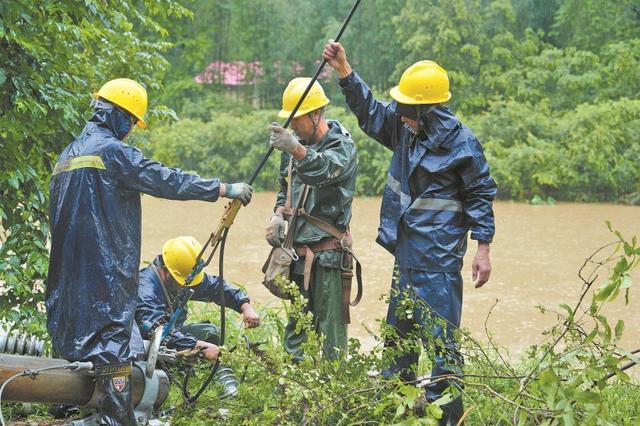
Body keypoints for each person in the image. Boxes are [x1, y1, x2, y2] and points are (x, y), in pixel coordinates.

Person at [45, 78, 253, 425]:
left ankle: (65, 409)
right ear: (120, 116)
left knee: (75, 361)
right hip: (105, 284)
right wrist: (221, 188)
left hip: (66, 286)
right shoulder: (112, 152)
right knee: (113, 369)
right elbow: (164, 179)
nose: (130, 131)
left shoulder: (67, 155)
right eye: (131, 122)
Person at [323, 42, 497, 424]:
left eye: (404, 105)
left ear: (424, 109)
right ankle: (395, 409)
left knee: (441, 346)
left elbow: (481, 194)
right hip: (405, 257)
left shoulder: (462, 144)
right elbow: (371, 113)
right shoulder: (405, 130)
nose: (398, 111)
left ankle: (447, 418)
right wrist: (345, 70)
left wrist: (482, 249)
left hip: (438, 263)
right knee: (398, 341)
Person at [266, 77, 358, 361]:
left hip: (329, 256)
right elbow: (286, 188)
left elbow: (324, 169)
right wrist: (277, 215)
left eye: (297, 119)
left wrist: (295, 148)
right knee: (296, 334)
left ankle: (334, 387)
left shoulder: (342, 147)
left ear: (316, 114)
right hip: (296, 255)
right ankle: (294, 384)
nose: (293, 126)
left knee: (332, 338)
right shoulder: (294, 147)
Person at [135, 236, 260, 398]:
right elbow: (157, 332)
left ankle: (217, 376)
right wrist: (198, 346)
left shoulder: (180, 278)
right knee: (201, 344)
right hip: (147, 350)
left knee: (210, 332)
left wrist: (244, 305)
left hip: (173, 339)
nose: (189, 285)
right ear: (166, 270)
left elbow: (214, 287)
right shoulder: (145, 290)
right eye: (184, 281)